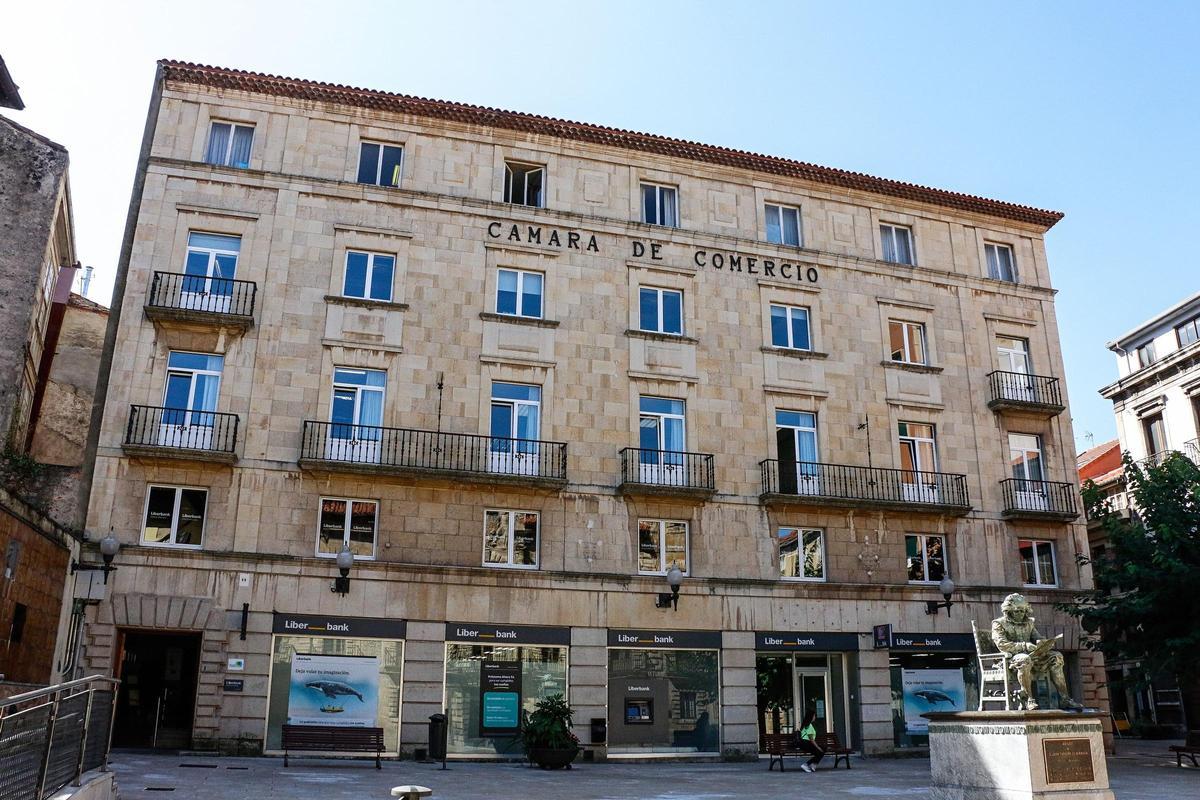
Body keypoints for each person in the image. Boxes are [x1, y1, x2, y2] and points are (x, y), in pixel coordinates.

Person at [991, 592, 1083, 711]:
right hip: (1010, 660)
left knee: (1057, 656)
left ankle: (1065, 699)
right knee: (1024, 659)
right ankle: (1029, 699)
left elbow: (1036, 637)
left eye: (1023, 611)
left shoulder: (1029, 622)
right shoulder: (999, 623)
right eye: (1017, 611)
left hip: (1033, 658)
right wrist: (1024, 645)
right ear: (1008, 610)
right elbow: (1002, 645)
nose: (1020, 614)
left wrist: (1044, 643)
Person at [794, 705, 824, 772]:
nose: (815, 717)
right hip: (806, 744)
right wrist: (818, 747)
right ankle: (806, 764)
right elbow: (811, 739)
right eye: (814, 716)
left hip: (804, 744)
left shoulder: (806, 724)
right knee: (821, 750)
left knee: (822, 750)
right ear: (811, 717)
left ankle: (813, 764)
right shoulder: (808, 726)